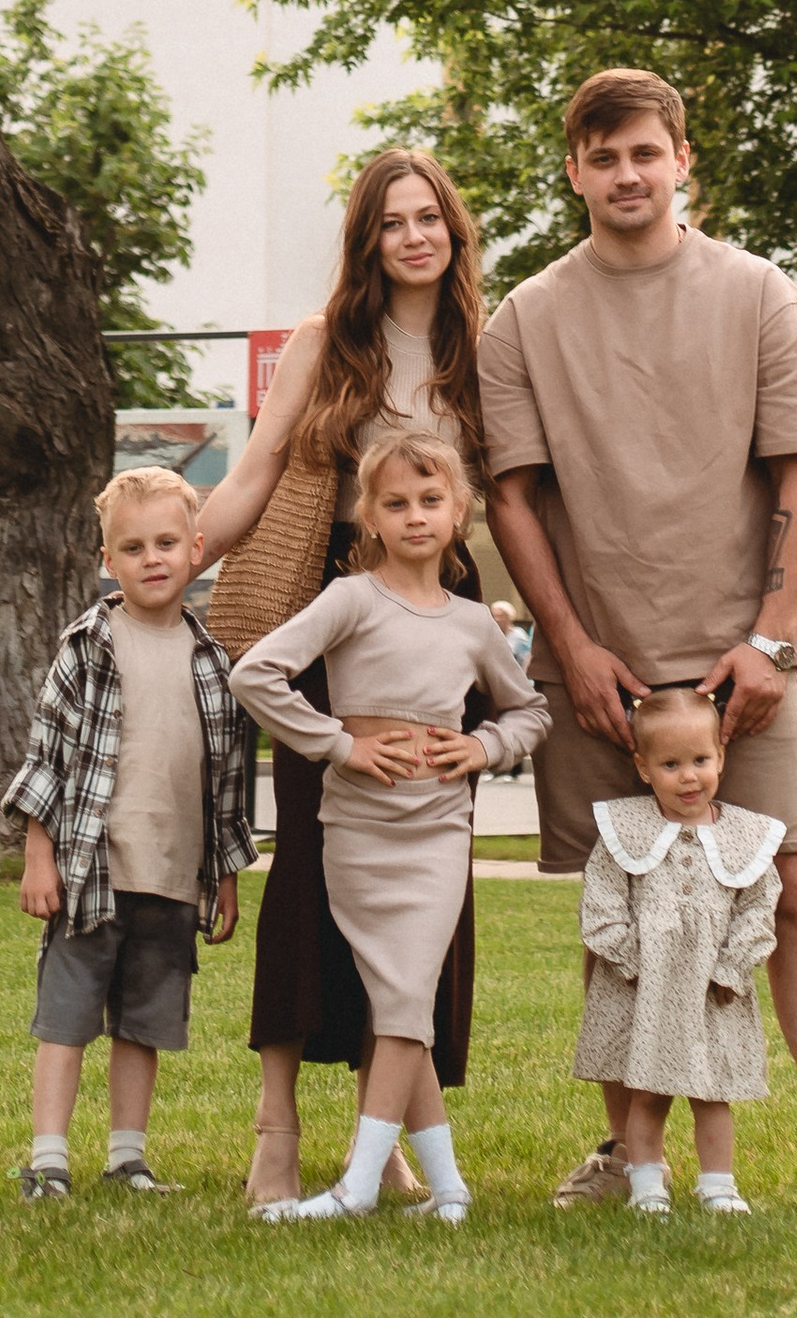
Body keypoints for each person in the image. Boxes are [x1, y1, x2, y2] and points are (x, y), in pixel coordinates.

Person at [481, 66, 797, 1227]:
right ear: (572, 169)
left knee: (791, 895)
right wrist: (568, 646)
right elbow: (514, 503)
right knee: (620, 914)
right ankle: (630, 1158)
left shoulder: (764, 293)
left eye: (644, 152)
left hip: (746, 660)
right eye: (601, 155)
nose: (625, 173)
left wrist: (773, 638)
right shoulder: (523, 318)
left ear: (684, 160)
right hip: (600, 674)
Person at [195, 148, 490, 1206]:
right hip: (334, 629)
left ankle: (388, 1129)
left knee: (426, 889)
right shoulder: (329, 342)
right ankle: (276, 1127)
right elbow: (258, 470)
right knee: (314, 873)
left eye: (429, 219)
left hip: (436, 633)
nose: (413, 236)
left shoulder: (482, 356)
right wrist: (182, 553)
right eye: (391, 222)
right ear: (367, 241)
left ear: (454, 234)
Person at [231, 423, 548, 1223]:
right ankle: (449, 1192)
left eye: (431, 501)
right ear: (368, 515)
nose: (415, 516)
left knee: (406, 1003)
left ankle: (358, 1186)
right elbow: (255, 673)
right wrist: (337, 745)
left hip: (436, 836)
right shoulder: (348, 600)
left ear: (459, 512)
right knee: (394, 999)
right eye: (396, 502)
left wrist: (483, 747)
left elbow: (532, 711)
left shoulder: (476, 624)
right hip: (357, 836)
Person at [2, 466, 253, 1202]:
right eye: (134, 547)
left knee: (145, 1022)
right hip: (90, 873)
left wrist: (226, 876)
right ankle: (48, 1158)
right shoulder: (88, 644)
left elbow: (226, 781)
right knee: (68, 1019)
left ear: (197, 549)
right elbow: (46, 755)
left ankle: (127, 1157)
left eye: (168, 543)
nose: (153, 559)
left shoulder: (213, 661)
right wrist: (38, 856)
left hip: (173, 878)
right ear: (108, 560)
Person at [574, 681, 783, 1218]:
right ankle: (646, 1184)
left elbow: (760, 904)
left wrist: (733, 964)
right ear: (643, 768)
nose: (688, 776)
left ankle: (718, 1185)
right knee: (647, 1089)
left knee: (714, 1093)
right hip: (649, 985)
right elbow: (603, 900)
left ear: (721, 757)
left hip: (714, 988)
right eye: (670, 764)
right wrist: (628, 956)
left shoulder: (745, 836)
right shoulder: (625, 831)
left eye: (700, 760)